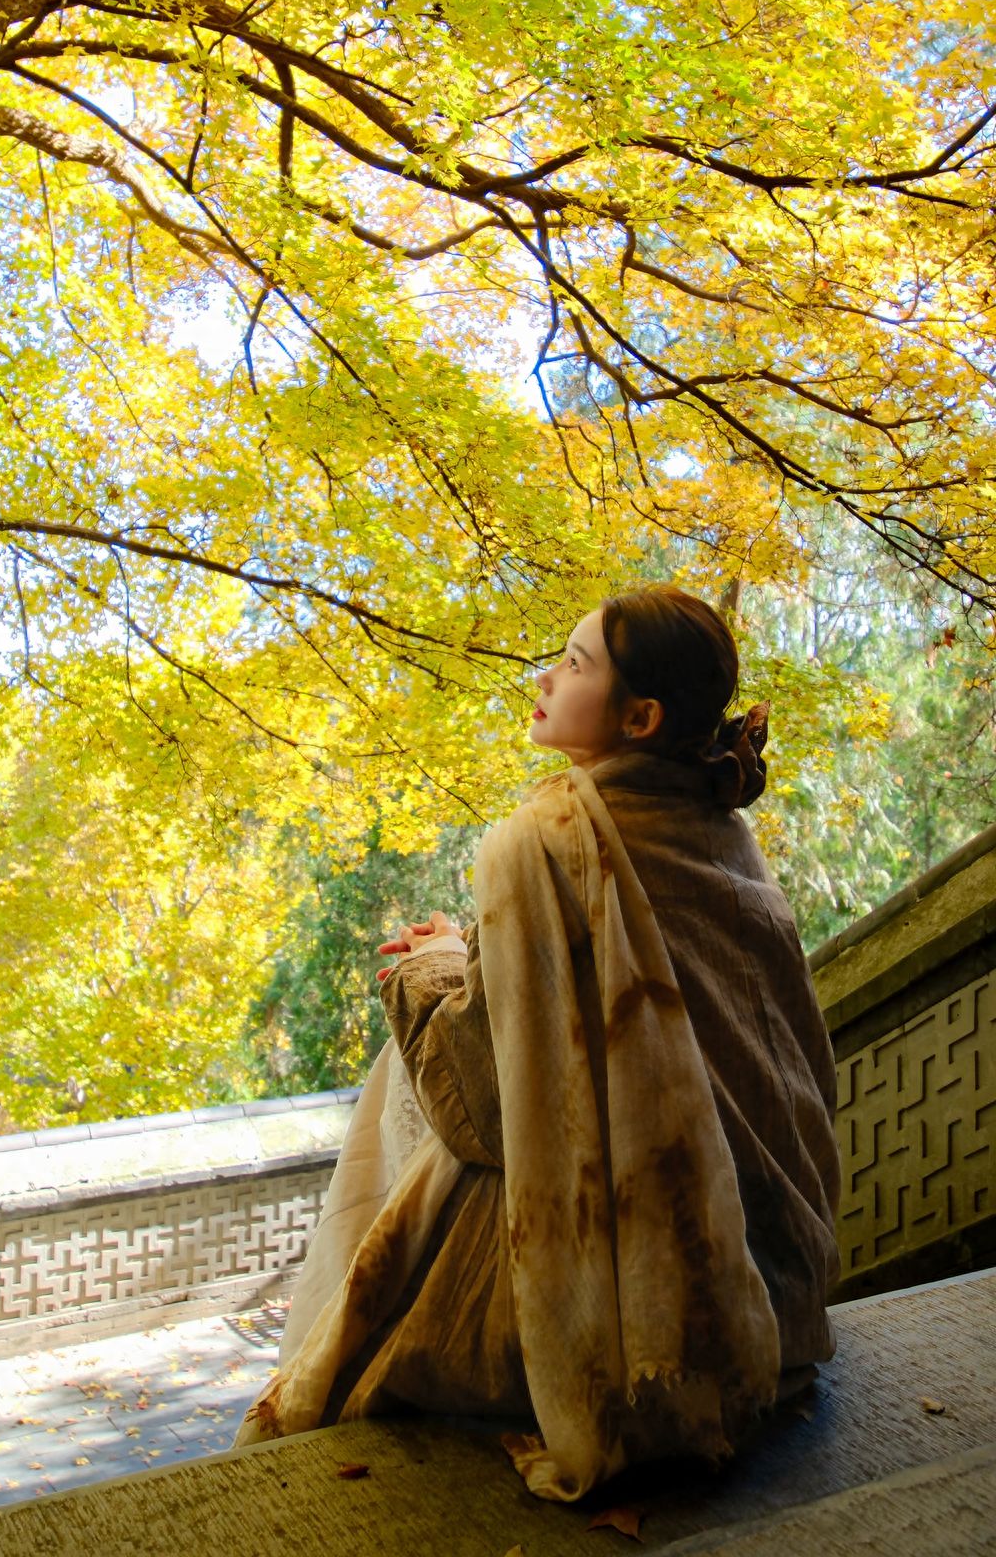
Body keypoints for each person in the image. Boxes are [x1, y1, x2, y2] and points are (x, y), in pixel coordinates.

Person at [233, 585, 842, 1501]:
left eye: (575, 665)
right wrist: (475, 955)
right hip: (780, 1275)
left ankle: (334, 1333)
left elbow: (484, 1112)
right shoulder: (725, 832)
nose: (546, 676)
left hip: (645, 1312)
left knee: (402, 1068)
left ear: (639, 717)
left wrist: (428, 970)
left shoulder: (546, 841)